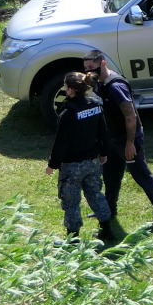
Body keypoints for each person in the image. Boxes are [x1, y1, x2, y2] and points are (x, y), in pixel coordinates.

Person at [83, 49, 153, 236]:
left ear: (103, 63)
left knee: (141, 175)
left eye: (92, 67)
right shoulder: (100, 83)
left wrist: (130, 144)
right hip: (112, 138)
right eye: (86, 68)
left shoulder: (115, 87)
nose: (89, 71)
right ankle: (108, 209)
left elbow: (130, 116)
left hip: (127, 138)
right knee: (111, 176)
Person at [47, 71, 114, 240]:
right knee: (96, 194)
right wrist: (104, 153)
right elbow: (103, 132)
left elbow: (61, 143)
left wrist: (52, 164)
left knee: (71, 201)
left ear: (70, 90)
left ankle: (73, 238)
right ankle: (107, 229)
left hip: (72, 166)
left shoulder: (68, 113)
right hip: (92, 161)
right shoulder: (95, 105)